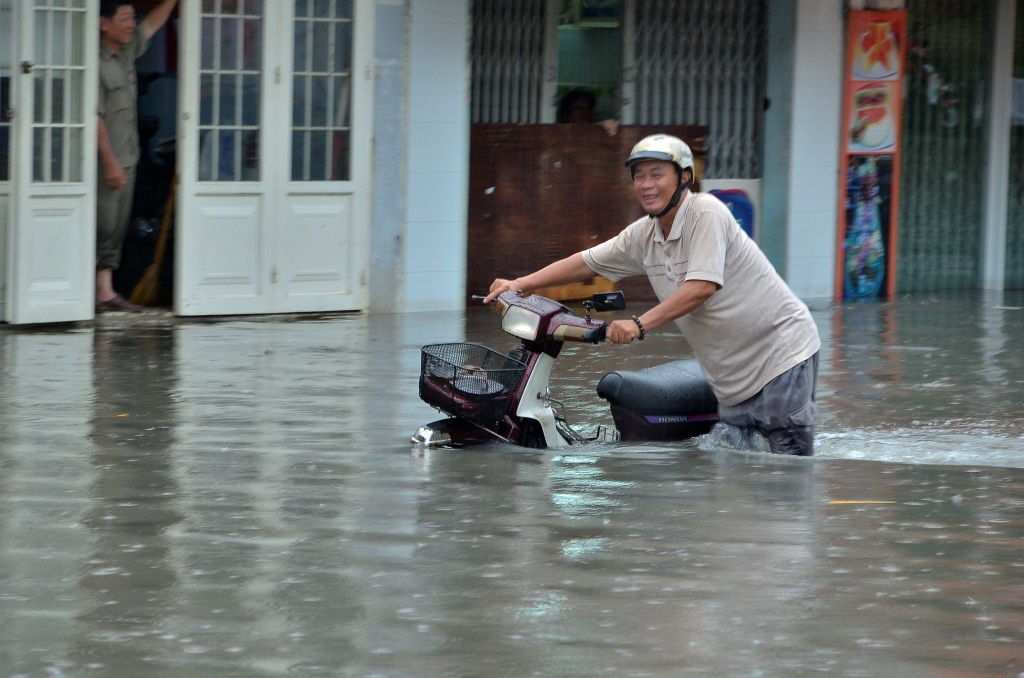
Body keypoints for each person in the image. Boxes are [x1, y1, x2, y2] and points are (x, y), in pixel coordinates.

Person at [485, 134, 822, 455]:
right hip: (731, 377)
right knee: (736, 474)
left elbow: (701, 287)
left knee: (785, 471)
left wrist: (639, 324)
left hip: (780, 355)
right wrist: (522, 284)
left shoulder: (705, 212)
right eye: (639, 176)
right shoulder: (644, 235)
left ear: (684, 177)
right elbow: (586, 263)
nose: (646, 184)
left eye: (657, 174)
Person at [96, 0, 178, 313]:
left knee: (116, 227)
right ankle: (89, 291)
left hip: (128, 157)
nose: (132, 24)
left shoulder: (126, 53)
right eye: (126, 18)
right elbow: (96, 119)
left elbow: (152, 26)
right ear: (105, 23)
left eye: (133, 18)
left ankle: (105, 290)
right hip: (109, 161)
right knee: (102, 225)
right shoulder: (96, 64)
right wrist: (110, 162)